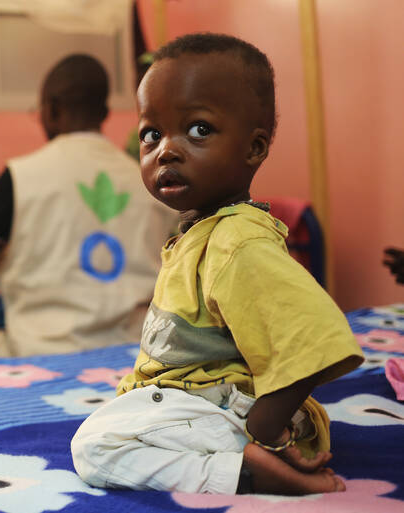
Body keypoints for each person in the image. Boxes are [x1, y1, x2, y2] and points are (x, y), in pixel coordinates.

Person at [70, 33, 364, 495]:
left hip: (229, 414)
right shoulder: (203, 230)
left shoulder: (236, 241)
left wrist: (265, 427)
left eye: (198, 129)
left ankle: (243, 471)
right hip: (208, 403)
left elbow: (317, 334)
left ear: (254, 148)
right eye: (152, 133)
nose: (165, 149)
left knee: (95, 447)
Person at [0, 54, 178, 358]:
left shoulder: (20, 177)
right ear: (104, 112)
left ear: (51, 109)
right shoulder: (149, 180)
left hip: (38, 355)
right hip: (135, 356)